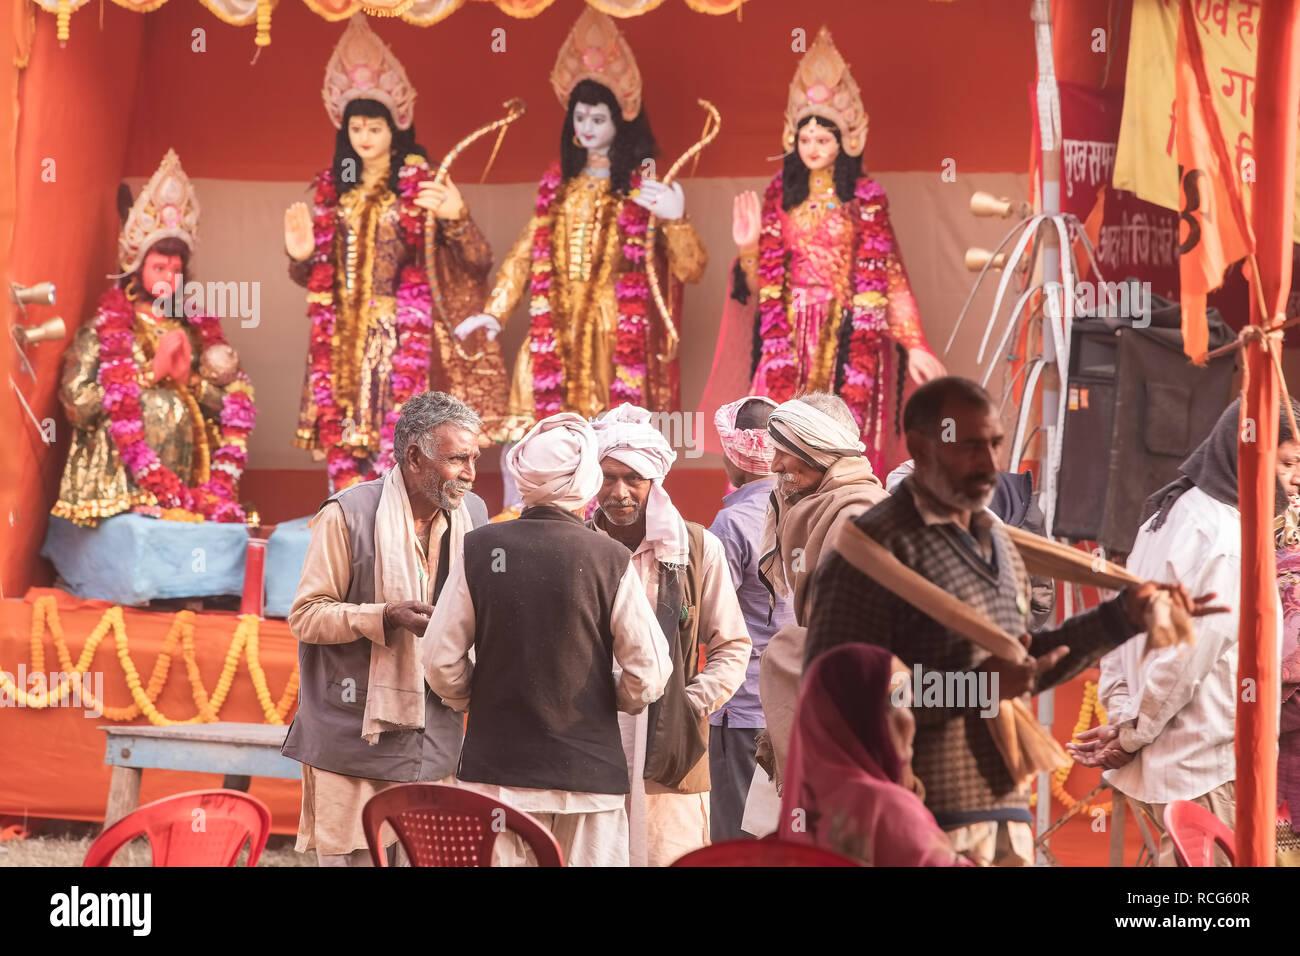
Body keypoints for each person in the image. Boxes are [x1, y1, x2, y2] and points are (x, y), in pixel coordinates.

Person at [803, 376, 1218, 866]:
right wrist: (976, 689)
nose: (985, 462)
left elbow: (1024, 664)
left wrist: (1125, 617)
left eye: (994, 444)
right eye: (967, 445)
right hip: (915, 823)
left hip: (1004, 817)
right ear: (919, 448)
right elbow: (842, 694)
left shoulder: (995, 543)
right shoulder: (867, 553)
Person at [423, 412, 670, 867]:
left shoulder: (481, 548)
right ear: (585, 481)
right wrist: (609, 698)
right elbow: (650, 673)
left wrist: (475, 697)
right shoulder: (609, 557)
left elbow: (440, 659)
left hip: (495, 774)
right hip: (589, 777)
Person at [701, 26, 943, 475]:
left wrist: (915, 344)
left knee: (841, 437)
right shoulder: (778, 199)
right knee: (785, 436)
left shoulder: (865, 200)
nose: (812, 148)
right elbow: (758, 289)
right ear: (792, 138)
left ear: (847, 141)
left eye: (823, 139)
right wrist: (749, 248)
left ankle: (847, 511)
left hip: (850, 335)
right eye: (805, 138)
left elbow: (888, 279)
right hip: (787, 336)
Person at [284, 15, 512, 490]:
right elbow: (317, 278)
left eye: (374, 127)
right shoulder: (335, 195)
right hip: (341, 331)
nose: (364, 137)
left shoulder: (420, 188)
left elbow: (477, 261)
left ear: (396, 128)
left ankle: (398, 515)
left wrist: (455, 215)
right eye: (356, 128)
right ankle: (346, 513)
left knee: (397, 429)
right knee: (342, 427)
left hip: (397, 333)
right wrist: (302, 257)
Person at [1073, 399, 1300, 866]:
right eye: (1287, 462)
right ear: (1249, 454)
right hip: (1204, 768)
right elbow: (1185, 659)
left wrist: (1126, 723)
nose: (1296, 477)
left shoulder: (1174, 514)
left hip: (1174, 761)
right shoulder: (1227, 541)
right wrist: (1131, 731)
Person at [454, 8, 707, 426]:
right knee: (543, 444)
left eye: (598, 118)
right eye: (580, 116)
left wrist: (676, 221)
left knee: (609, 447)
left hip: (614, 332)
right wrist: (494, 311)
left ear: (620, 121)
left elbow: (692, 270)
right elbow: (523, 256)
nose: (587, 127)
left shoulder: (643, 188)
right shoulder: (559, 189)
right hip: (551, 325)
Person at [282, 391, 489, 866]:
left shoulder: (473, 515)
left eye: (474, 457)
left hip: (434, 734)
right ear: (414, 457)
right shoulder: (347, 514)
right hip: (351, 738)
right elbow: (307, 615)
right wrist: (384, 616)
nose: (471, 473)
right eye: (458, 459)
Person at [53, 149, 255, 525]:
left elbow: (233, 407)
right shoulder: (104, 330)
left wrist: (189, 382)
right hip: (117, 489)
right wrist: (149, 375)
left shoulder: (196, 332)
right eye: (159, 267)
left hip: (191, 496)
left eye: (176, 270)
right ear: (135, 268)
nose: (168, 278)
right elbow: (77, 406)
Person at [590, 404, 751, 866]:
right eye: (607, 477)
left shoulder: (698, 548)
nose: (619, 492)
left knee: (668, 853)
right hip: (590, 739)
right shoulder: (579, 544)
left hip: (672, 746)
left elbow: (732, 645)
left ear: (654, 481)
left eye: (632, 478)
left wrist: (691, 704)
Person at [755, 392, 888, 790]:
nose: (775, 465)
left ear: (818, 450)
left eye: (785, 452)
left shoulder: (857, 514)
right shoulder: (823, 507)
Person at [778, 644, 970, 866]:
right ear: (870, 717)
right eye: (900, 704)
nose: (909, 722)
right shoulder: (886, 808)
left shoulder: (800, 807)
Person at [707, 395, 795, 842]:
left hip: (742, 706)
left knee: (736, 840)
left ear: (731, 454)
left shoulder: (732, 522)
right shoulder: (808, 512)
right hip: (796, 703)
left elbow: (708, 615)